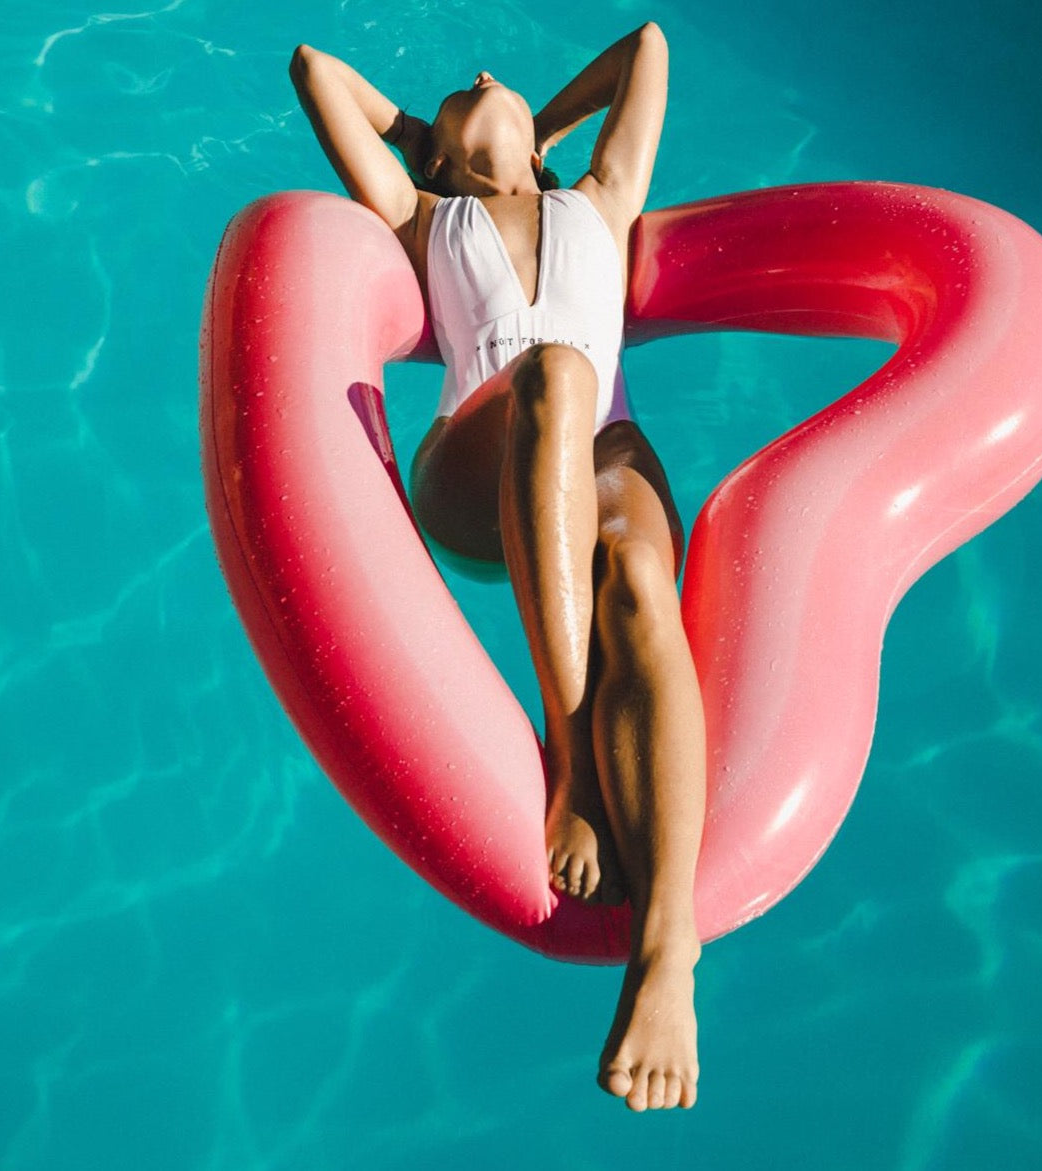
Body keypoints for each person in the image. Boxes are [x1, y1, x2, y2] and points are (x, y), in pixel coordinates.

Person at [289, 23, 706, 1112]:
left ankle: (667, 954)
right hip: (480, 459)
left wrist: (534, 135)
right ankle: (572, 752)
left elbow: (645, 47)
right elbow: (313, 69)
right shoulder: (421, 213)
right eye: (459, 86)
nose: (479, 70)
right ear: (429, 160)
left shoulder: (602, 198)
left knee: (640, 585)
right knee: (557, 375)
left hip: (606, 451)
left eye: (491, 80)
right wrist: (438, 144)